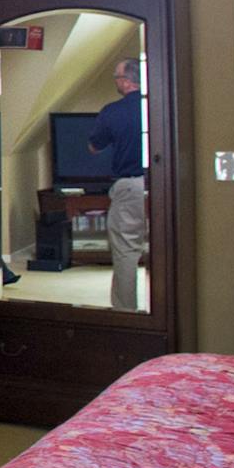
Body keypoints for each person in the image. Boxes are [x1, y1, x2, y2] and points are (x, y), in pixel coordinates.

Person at [86, 57, 147, 312]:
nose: (116, 81)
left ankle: (126, 312)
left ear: (126, 81)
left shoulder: (113, 111)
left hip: (130, 186)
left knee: (126, 250)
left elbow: (94, 146)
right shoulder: (156, 105)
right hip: (163, 185)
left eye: (117, 77)